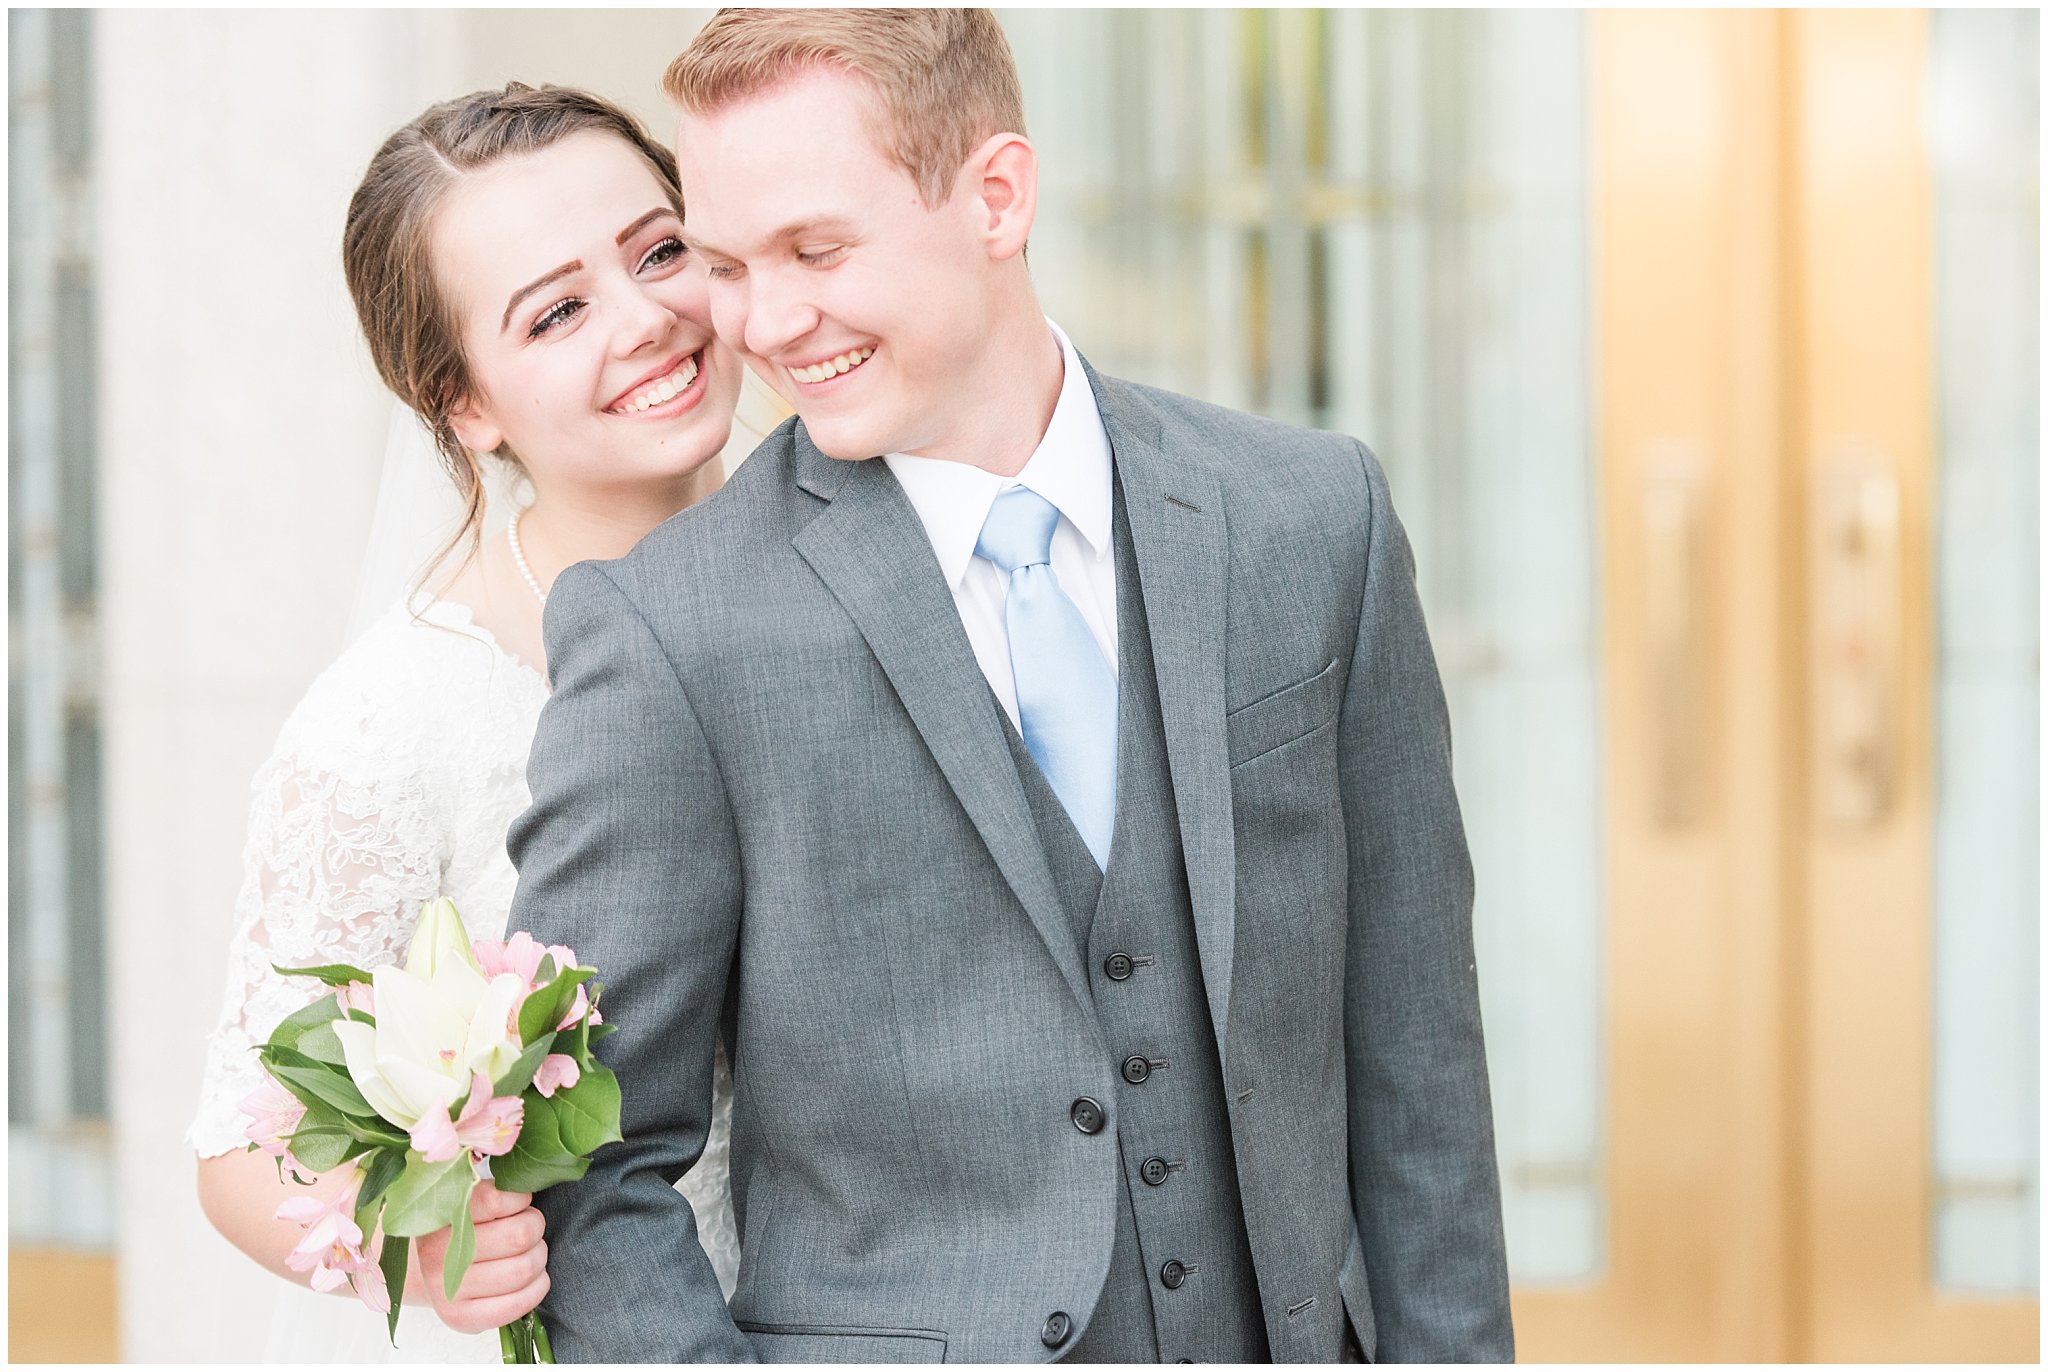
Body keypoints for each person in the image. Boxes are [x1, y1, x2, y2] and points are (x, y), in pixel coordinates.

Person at [515, 8, 1512, 1365]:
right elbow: (592, 1165)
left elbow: (1418, 1059)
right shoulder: (672, 631)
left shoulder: (1308, 520)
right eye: (728, 264)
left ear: (996, 194)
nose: (767, 320)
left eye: (818, 248)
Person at [187, 84, 745, 1362]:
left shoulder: (864, 562)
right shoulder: (395, 722)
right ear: (468, 405)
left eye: (659, 251)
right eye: (556, 312)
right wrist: (422, 1248)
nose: (648, 316)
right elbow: (238, 1144)